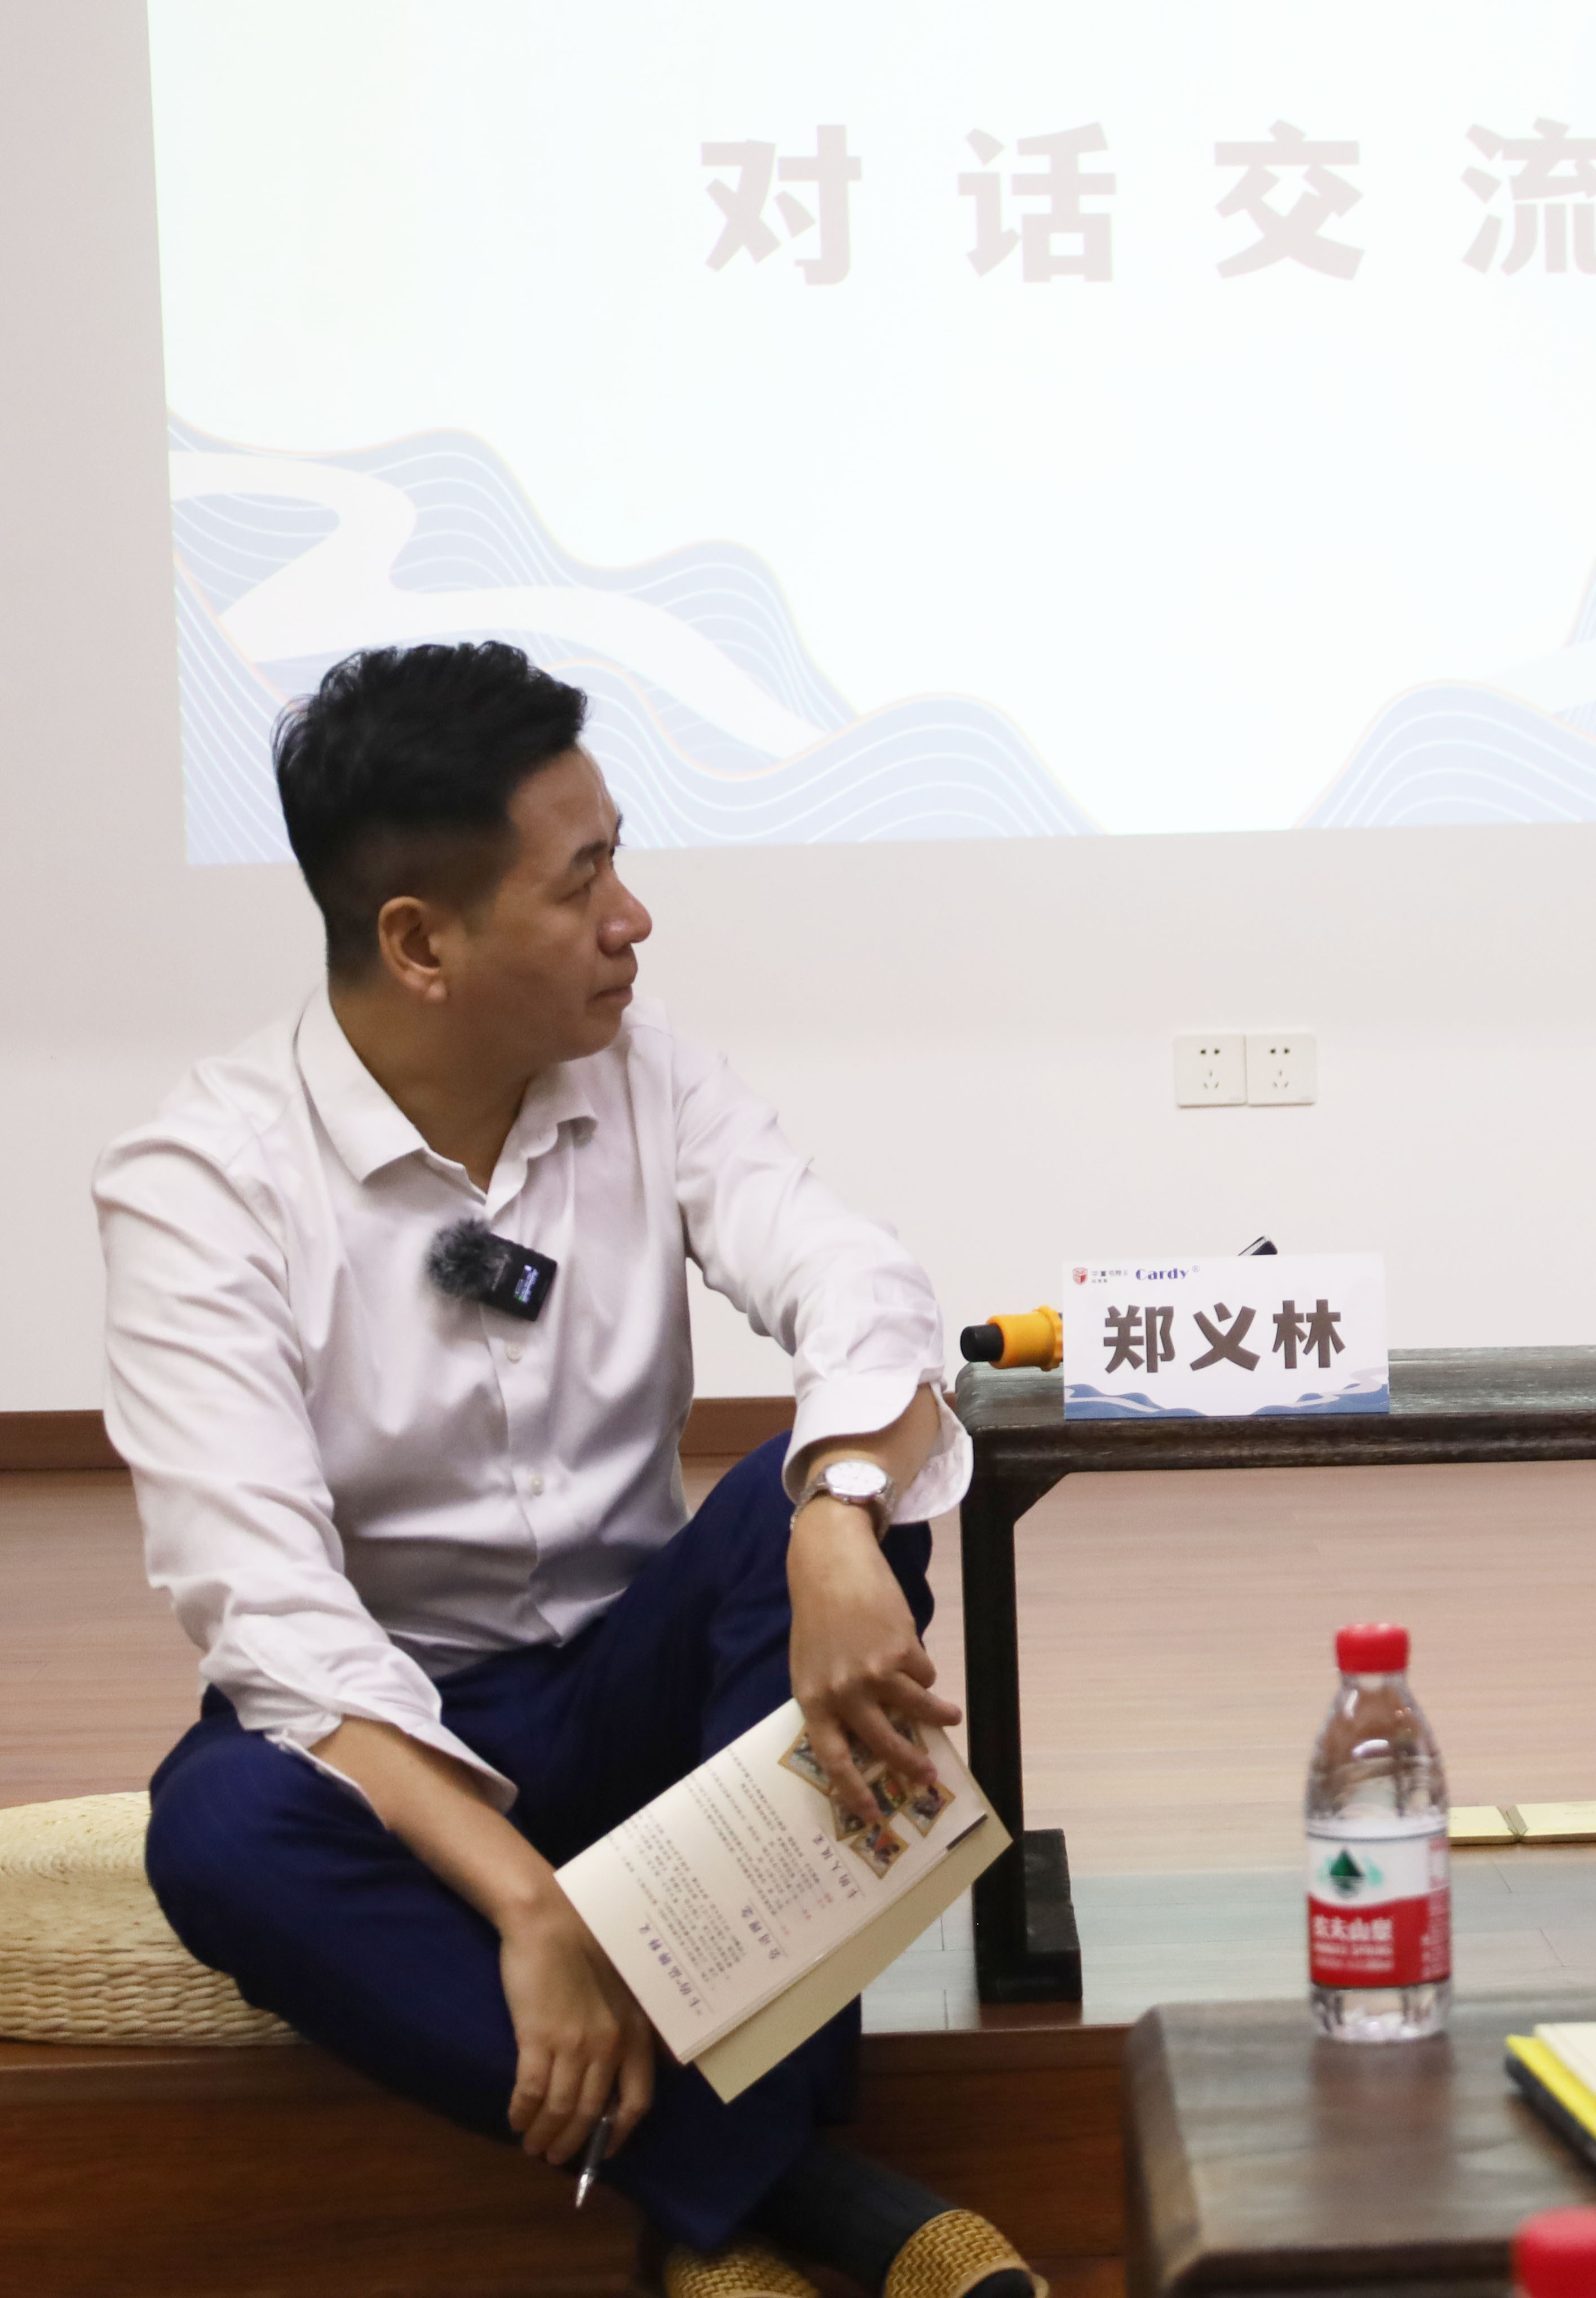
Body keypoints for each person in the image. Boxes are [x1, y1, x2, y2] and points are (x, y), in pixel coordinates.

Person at [96, 643, 1042, 2298]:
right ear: (421, 943)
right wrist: (531, 1911)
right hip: (415, 1739)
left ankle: (725, 2183)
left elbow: (852, 1276)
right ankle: (807, 2201)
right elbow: (273, 1621)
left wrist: (836, 1512)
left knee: (822, 1502)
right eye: (583, 877)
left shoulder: (640, 1065)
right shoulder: (202, 1184)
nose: (633, 917)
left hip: (644, 1704)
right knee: (220, 1832)